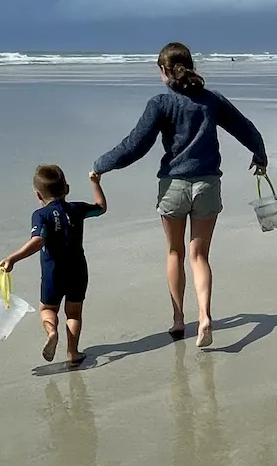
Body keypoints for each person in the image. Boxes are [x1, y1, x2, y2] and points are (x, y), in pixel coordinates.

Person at [90, 42, 267, 348]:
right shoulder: (211, 101)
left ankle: (178, 320)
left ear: (163, 71)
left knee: (175, 253)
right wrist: (259, 153)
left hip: (173, 187)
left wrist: (101, 165)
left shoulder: (160, 103)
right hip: (208, 186)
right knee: (199, 256)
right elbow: (243, 127)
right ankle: (206, 316)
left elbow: (135, 146)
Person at [0, 163, 107, 363]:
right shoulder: (77, 208)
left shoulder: (40, 215)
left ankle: (51, 332)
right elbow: (101, 208)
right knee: (74, 313)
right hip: (78, 270)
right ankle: (73, 353)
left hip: (53, 272)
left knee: (48, 310)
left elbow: (38, 240)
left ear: (38, 195)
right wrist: (95, 183)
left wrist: (12, 258)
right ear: (66, 188)